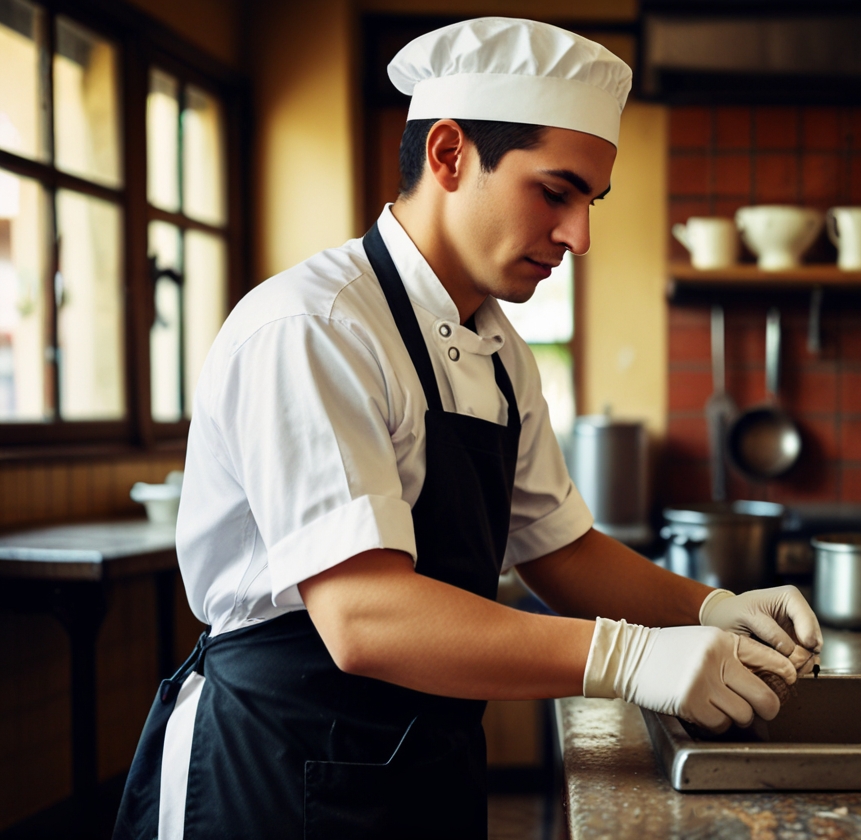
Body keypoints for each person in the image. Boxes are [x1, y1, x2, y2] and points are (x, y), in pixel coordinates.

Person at [114, 17, 821, 839]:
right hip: (274, 772)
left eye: (590, 201)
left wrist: (709, 610)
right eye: (555, 192)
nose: (579, 236)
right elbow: (364, 616)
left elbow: (560, 548)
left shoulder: (496, 347)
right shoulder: (315, 328)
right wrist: (627, 659)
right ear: (448, 155)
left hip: (422, 765)